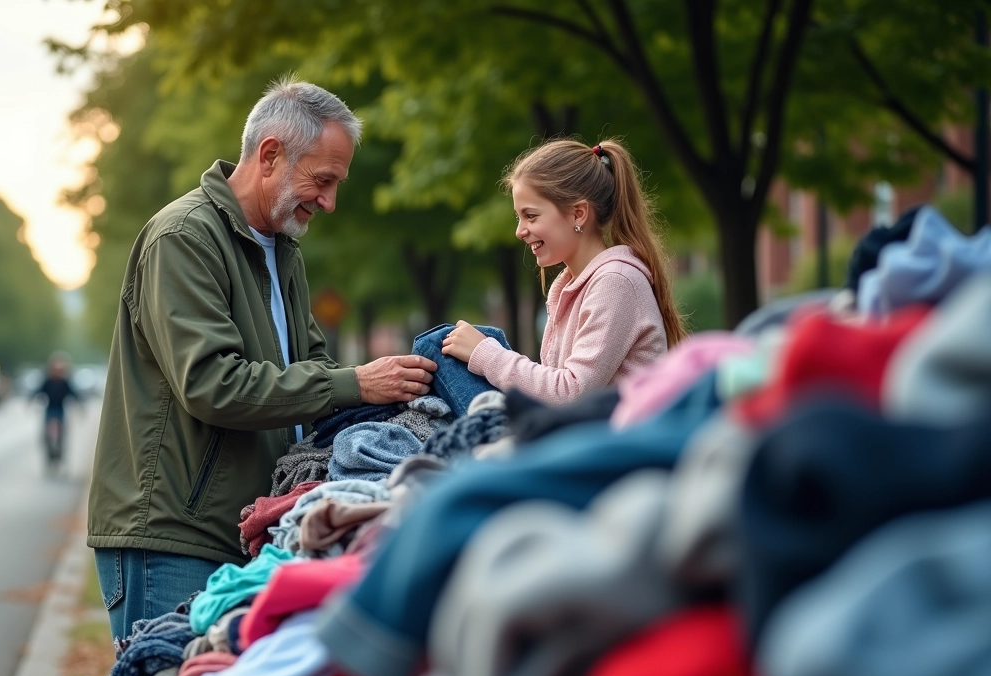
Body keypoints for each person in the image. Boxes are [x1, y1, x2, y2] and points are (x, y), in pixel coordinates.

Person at [87, 77, 437, 639]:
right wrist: (356, 385)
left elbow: (313, 368)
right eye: (323, 180)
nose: (329, 201)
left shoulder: (282, 250)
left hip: (243, 530)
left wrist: (403, 393)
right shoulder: (183, 238)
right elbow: (212, 383)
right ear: (270, 154)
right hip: (174, 539)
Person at [441, 138, 687, 404]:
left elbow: (571, 392)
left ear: (578, 214)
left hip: (615, 440)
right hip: (585, 433)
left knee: (439, 352)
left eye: (531, 216)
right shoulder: (578, 284)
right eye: (518, 217)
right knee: (440, 351)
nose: (519, 231)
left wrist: (486, 354)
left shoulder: (616, 282)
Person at [35, 355, 81, 462]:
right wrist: (31, 401)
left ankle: (59, 449)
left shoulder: (65, 382)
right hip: (50, 409)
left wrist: (80, 405)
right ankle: (48, 448)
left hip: (60, 410)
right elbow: (38, 391)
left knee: (62, 431)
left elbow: (74, 394)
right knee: (46, 431)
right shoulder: (48, 382)